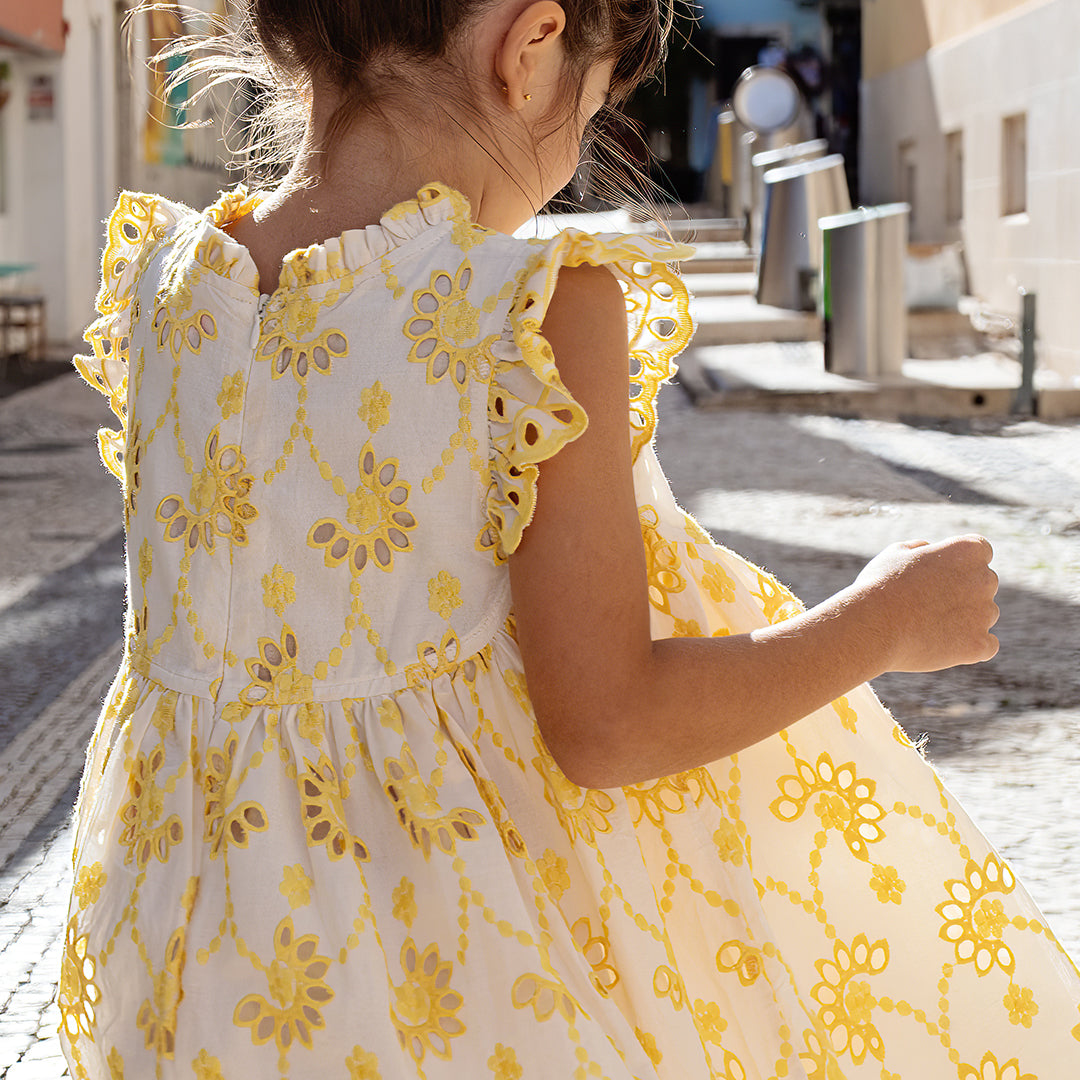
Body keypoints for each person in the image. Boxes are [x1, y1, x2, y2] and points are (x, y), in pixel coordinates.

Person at [61, 1, 1080, 1077]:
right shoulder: (529, 313)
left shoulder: (168, 295)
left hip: (187, 949)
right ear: (531, 47)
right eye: (594, 111)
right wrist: (881, 624)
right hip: (447, 966)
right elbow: (608, 723)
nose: (573, 160)